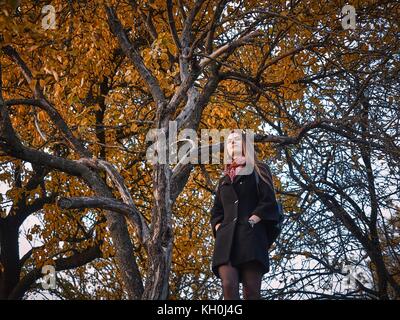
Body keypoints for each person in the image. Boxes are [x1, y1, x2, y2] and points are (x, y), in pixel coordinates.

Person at [210, 130, 281, 300]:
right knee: (228, 285)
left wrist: (253, 219)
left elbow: (268, 200)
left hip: (251, 237)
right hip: (226, 242)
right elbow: (216, 211)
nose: (232, 142)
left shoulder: (259, 169)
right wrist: (219, 227)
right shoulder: (224, 179)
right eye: (228, 141)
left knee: (251, 291)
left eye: (236, 139)